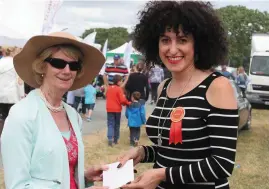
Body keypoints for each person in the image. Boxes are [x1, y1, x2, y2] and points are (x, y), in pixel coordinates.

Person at [117, 1, 239, 189]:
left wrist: (161, 174)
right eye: (165, 40)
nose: (172, 49)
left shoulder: (217, 86)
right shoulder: (163, 87)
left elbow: (222, 164)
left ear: (198, 44)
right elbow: (175, 151)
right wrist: (143, 152)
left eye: (182, 40)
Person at [0, 32, 108, 189]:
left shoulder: (73, 115)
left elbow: (59, 172)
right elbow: (17, 185)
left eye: (74, 65)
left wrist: (83, 177)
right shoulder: (21, 115)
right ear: (42, 66)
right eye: (58, 63)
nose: (67, 70)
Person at [106, 75, 131, 146]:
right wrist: (127, 103)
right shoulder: (119, 89)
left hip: (109, 108)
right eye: (121, 81)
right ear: (118, 81)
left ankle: (110, 138)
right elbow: (122, 100)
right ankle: (115, 139)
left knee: (110, 124)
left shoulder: (109, 88)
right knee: (117, 125)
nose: (122, 82)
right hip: (117, 109)